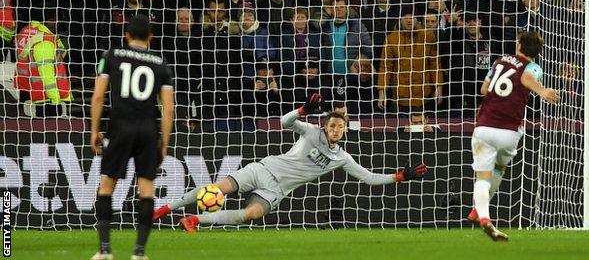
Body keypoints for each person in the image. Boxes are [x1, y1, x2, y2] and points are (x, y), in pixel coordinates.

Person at [152, 94, 428, 231]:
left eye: (338, 127)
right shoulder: (311, 131)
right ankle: (165, 207)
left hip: (275, 191)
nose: (334, 129)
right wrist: (303, 110)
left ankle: (193, 220)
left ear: (344, 130)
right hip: (263, 169)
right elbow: (285, 122)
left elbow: (368, 177)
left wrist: (399, 176)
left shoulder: (342, 157)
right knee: (217, 189)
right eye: (331, 125)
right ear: (325, 125)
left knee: (250, 215)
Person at [89, 15, 174, 260]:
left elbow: (98, 97)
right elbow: (168, 109)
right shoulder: (161, 62)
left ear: (126, 35)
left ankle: (105, 249)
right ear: (151, 37)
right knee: (146, 189)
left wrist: (95, 130)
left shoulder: (111, 55)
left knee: (107, 186)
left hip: (119, 127)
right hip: (148, 129)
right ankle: (139, 252)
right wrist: (164, 143)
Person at [467, 31, 560, 241]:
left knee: (482, 176)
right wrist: (542, 91)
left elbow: (484, 89)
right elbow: (526, 78)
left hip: (485, 127)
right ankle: (477, 209)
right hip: (509, 132)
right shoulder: (535, 67)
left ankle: (484, 217)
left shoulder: (499, 61)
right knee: (499, 168)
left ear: (519, 45)